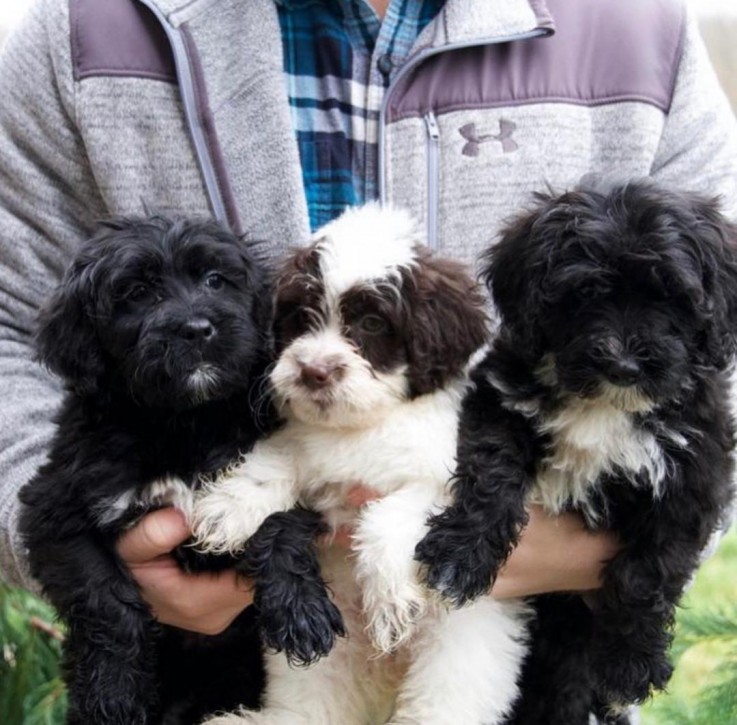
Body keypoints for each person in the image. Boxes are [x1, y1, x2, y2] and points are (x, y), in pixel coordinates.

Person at [0, 0, 734, 711]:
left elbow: (718, 334)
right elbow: (9, 328)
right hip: (203, 672)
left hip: (535, 670)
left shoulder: (638, 29)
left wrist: (613, 556)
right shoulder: (83, 29)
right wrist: (89, 561)